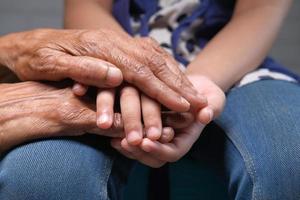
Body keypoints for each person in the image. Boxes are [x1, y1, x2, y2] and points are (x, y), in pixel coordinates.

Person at [0, 1, 300, 200]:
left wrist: (195, 84)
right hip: (107, 68)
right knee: (40, 174)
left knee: (290, 158)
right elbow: (85, 5)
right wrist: (129, 72)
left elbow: (256, 14)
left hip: (234, 67)